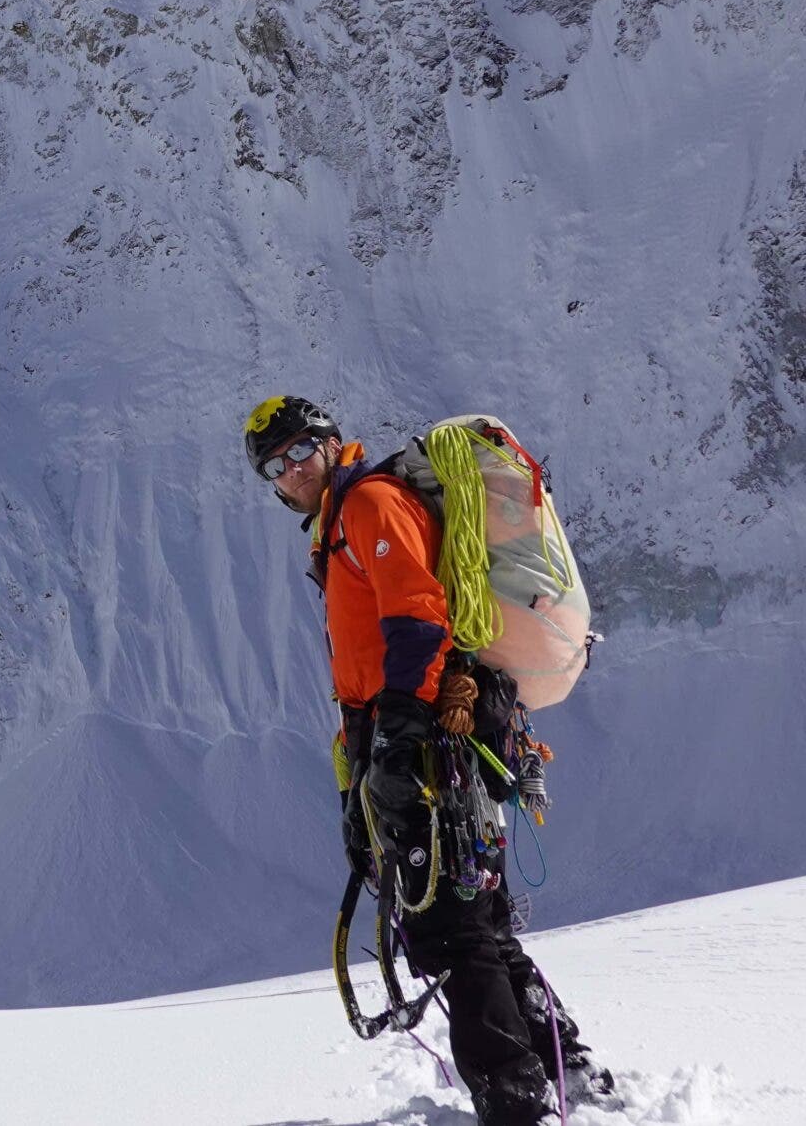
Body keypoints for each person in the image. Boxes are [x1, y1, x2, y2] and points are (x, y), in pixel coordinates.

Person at [245, 394, 614, 1126]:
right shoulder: (342, 521)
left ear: (330, 442)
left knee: (448, 928)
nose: (291, 469)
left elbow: (416, 614)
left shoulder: (369, 505)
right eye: (275, 466)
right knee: (477, 923)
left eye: (299, 449)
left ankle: (519, 1102)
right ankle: (567, 1070)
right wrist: (363, 778)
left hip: (423, 745)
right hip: (418, 742)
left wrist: (400, 735)